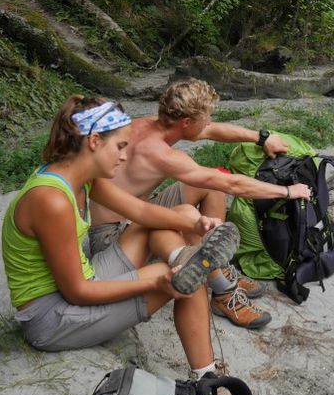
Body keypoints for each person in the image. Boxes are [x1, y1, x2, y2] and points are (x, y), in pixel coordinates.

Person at [1, 96, 238, 378]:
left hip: (83, 283)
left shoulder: (79, 178)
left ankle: (184, 258)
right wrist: (157, 281)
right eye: (120, 147)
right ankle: (209, 378)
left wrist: (197, 223)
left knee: (181, 257)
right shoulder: (51, 201)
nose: (124, 156)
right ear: (94, 141)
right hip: (52, 317)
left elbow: (140, 211)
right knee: (185, 273)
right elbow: (77, 291)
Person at [89, 79, 312, 330]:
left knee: (208, 186)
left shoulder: (153, 124)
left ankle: (221, 268)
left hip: (136, 210)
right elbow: (232, 185)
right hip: (109, 237)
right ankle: (224, 294)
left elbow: (212, 131)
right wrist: (286, 191)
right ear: (186, 123)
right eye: (205, 119)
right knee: (194, 204)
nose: (208, 124)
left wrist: (262, 138)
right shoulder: (161, 154)